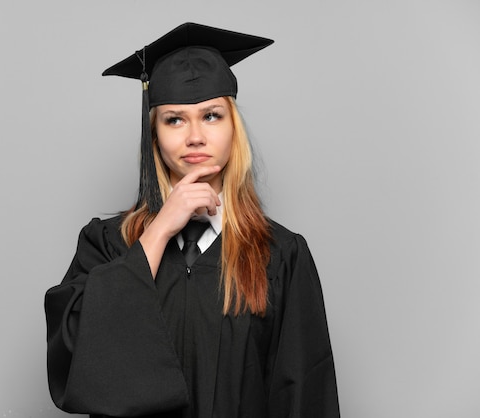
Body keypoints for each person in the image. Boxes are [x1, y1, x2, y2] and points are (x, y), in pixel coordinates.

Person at [45, 22, 340, 418]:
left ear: (234, 129)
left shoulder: (279, 256)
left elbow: (304, 393)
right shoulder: (107, 244)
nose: (196, 136)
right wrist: (160, 228)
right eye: (175, 119)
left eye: (212, 116)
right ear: (155, 137)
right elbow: (76, 352)